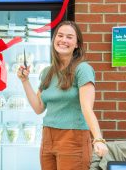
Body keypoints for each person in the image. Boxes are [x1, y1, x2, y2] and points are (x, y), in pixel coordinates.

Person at [17, 21, 108, 170]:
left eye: (69, 37)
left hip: (73, 137)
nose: (63, 40)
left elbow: (87, 108)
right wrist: (25, 81)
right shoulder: (47, 72)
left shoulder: (83, 69)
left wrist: (98, 139)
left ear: (77, 44)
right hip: (48, 136)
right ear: (54, 40)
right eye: (60, 35)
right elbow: (38, 108)